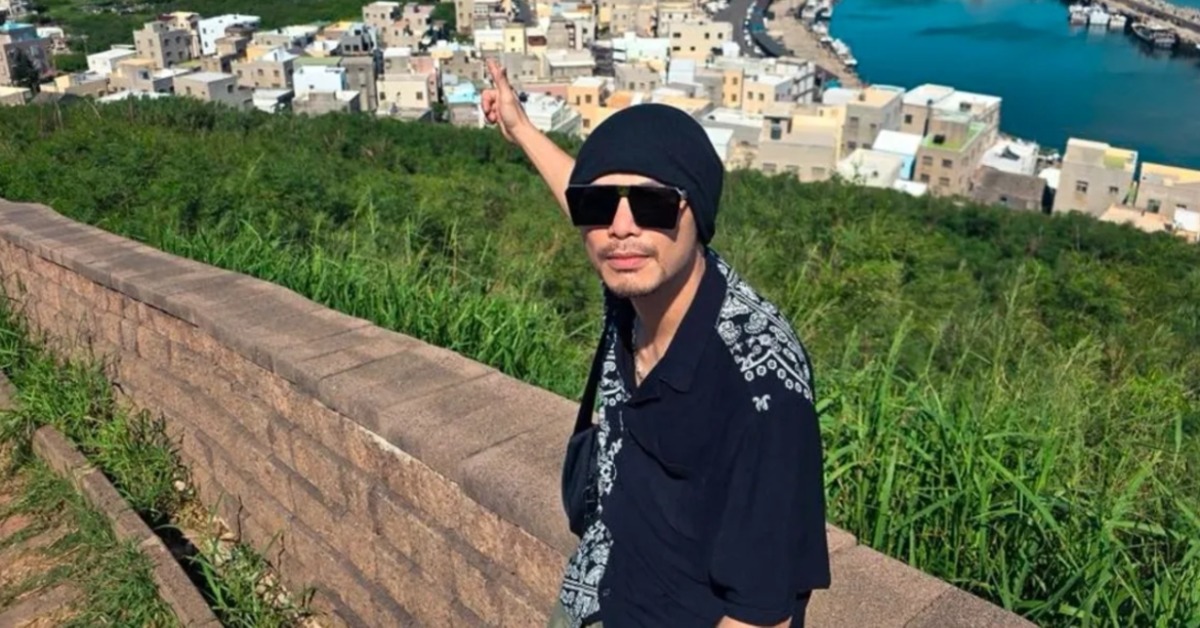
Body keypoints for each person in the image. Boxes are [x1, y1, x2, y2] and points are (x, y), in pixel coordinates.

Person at [481, 58, 831, 628]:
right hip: (594, 589)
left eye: (652, 205)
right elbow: (589, 195)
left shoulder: (758, 382)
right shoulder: (637, 278)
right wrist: (520, 128)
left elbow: (760, 615)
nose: (621, 228)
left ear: (697, 213)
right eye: (600, 208)